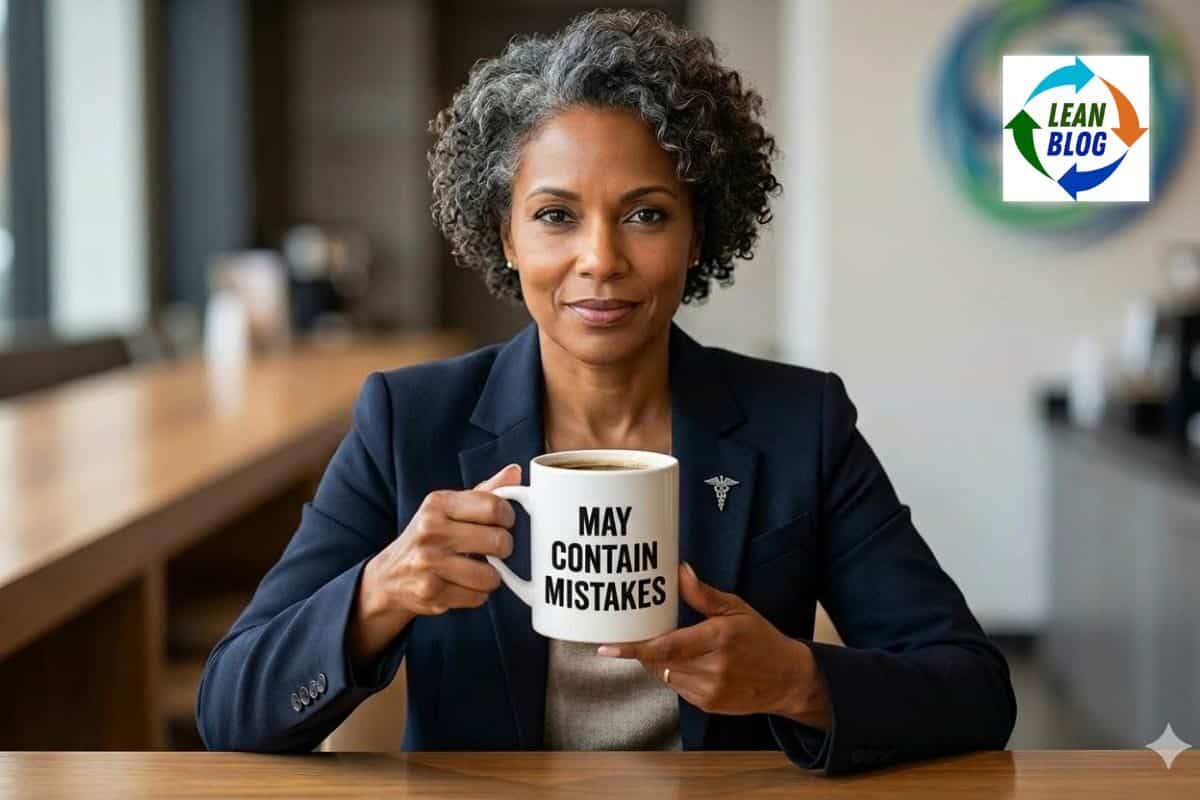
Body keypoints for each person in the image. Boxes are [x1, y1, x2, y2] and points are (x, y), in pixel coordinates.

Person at [196, 9, 1016, 775]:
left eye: (647, 215)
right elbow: (231, 708)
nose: (601, 259)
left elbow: (975, 689)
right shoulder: (409, 423)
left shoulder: (799, 424)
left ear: (700, 232)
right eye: (555, 215)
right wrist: (380, 591)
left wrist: (795, 680)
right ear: (503, 235)